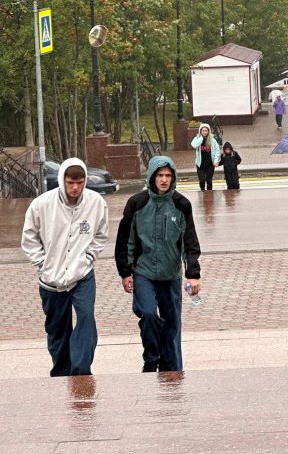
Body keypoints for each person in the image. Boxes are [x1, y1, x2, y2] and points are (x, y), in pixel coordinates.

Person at [21, 158, 109, 376]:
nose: (75, 188)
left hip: (82, 275)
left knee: (86, 317)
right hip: (51, 278)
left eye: (80, 182)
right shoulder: (41, 205)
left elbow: (101, 234)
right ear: (62, 180)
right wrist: (42, 263)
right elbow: (29, 237)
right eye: (70, 182)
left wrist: (89, 256)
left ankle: (80, 370)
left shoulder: (96, 203)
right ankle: (61, 372)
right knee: (57, 329)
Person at [115, 156, 202, 372]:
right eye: (160, 175)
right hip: (143, 272)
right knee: (147, 312)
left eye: (168, 176)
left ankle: (171, 371)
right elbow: (125, 240)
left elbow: (189, 242)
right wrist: (125, 272)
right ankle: (152, 357)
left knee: (172, 326)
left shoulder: (181, 205)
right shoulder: (136, 203)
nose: (164, 180)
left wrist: (193, 274)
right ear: (152, 177)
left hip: (170, 274)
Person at [191, 123, 220, 191]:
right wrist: (201, 138)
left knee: (209, 180)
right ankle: (202, 192)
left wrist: (216, 160)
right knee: (202, 180)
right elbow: (194, 145)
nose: (204, 132)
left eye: (206, 130)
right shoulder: (197, 138)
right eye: (203, 130)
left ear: (208, 131)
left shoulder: (212, 140)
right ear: (200, 131)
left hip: (210, 164)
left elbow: (217, 150)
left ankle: (209, 194)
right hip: (200, 164)